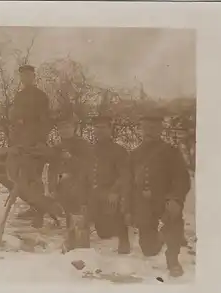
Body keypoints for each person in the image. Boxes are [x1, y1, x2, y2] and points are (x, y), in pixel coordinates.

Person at [128, 109, 191, 277]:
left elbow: (182, 179)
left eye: (154, 128)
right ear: (141, 129)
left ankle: (173, 260)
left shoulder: (171, 152)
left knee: (174, 221)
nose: (149, 131)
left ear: (160, 130)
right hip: (144, 204)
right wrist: (129, 209)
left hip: (165, 201)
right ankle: (161, 236)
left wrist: (175, 199)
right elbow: (128, 184)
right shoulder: (134, 154)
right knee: (149, 250)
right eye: (146, 127)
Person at [8, 64, 55, 225]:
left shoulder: (40, 96)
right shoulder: (19, 96)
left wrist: (40, 141)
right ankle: (34, 206)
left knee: (34, 178)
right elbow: (15, 121)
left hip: (35, 143)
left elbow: (45, 121)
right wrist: (14, 140)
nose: (24, 79)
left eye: (28, 75)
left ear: (34, 77)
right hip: (20, 143)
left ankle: (39, 214)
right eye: (22, 76)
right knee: (16, 176)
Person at [47, 109, 92, 250]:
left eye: (67, 127)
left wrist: (71, 159)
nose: (64, 130)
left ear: (74, 128)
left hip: (81, 184)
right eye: (61, 128)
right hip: (63, 186)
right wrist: (52, 188)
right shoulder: (57, 148)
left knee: (78, 212)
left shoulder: (83, 145)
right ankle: (71, 238)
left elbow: (88, 167)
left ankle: (81, 243)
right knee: (67, 212)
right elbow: (52, 170)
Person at [86, 115, 131, 254]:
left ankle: (124, 239)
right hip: (94, 193)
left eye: (103, 128)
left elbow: (125, 175)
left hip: (111, 192)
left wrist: (115, 191)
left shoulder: (119, 151)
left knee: (117, 204)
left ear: (110, 129)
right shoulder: (90, 150)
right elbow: (84, 174)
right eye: (97, 128)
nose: (99, 131)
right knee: (104, 233)